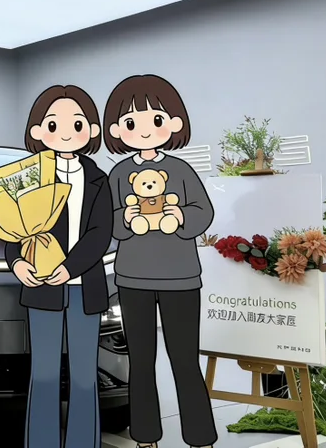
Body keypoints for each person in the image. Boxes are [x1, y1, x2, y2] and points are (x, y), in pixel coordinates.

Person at [104, 74, 217, 448]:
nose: (144, 130)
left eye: (155, 119)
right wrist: (128, 218)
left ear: (174, 123)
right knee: (140, 360)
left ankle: (200, 436)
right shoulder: (119, 173)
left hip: (180, 278)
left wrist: (178, 216)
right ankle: (145, 435)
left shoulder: (180, 170)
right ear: (117, 130)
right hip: (132, 278)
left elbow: (203, 211)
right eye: (131, 122)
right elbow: (109, 222)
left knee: (184, 359)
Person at [6, 85, 113, 448]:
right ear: (37, 131)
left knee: (84, 376)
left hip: (86, 288)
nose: (66, 132)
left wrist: (70, 268)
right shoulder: (29, 176)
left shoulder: (99, 179)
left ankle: (84, 443)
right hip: (40, 287)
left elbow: (101, 234)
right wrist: (16, 262)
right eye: (54, 125)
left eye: (77, 124)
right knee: (44, 374)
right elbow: (13, 227)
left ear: (92, 130)